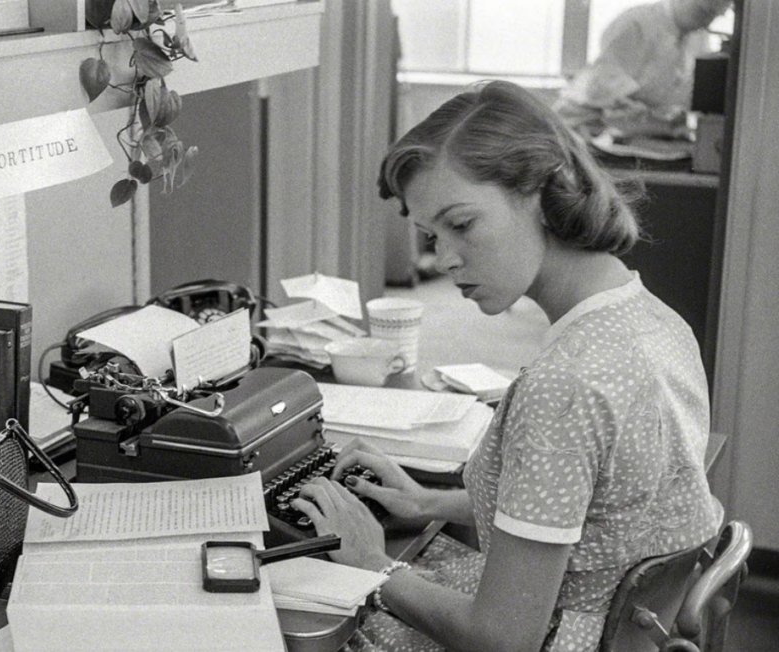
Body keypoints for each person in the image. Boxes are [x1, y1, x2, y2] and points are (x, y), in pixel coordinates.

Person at [291, 80, 724, 652]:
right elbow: (597, 512)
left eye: (463, 224)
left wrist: (374, 564)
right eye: (429, 235)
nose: (444, 259)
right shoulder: (656, 320)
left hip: (555, 639)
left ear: (547, 192)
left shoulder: (565, 385)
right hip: (626, 631)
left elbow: (502, 637)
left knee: (296, 618)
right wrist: (427, 501)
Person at [554, 0, 732, 138]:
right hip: (583, 122)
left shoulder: (698, 36)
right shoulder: (636, 23)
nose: (707, 22)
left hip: (631, 128)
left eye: (715, 15)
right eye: (703, 11)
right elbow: (605, 87)